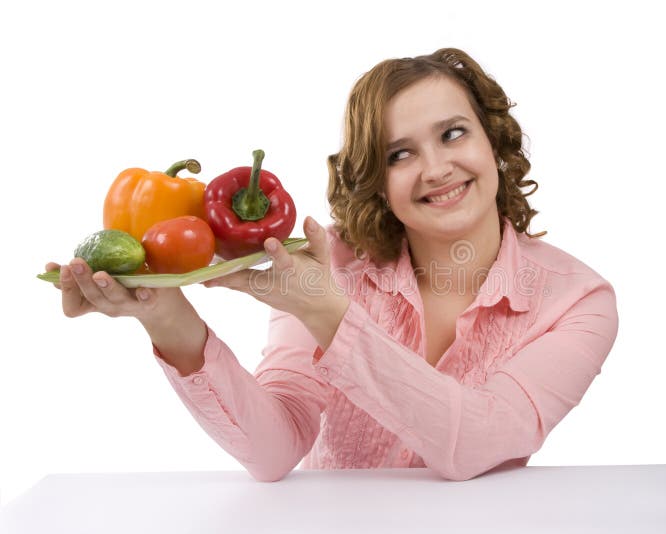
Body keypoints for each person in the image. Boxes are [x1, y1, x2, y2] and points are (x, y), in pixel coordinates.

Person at [46, 48, 619, 482]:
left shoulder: (577, 302)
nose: (437, 167)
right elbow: (274, 451)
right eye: (400, 154)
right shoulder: (330, 264)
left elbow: (474, 441)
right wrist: (168, 318)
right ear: (376, 178)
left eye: (453, 134)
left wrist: (330, 317)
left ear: (492, 140)